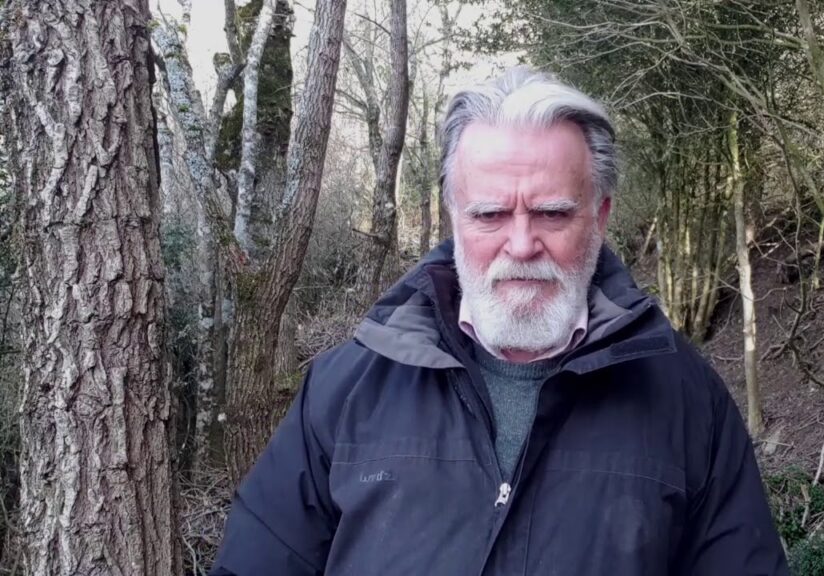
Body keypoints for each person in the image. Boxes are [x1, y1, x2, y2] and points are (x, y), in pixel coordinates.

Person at [211, 67, 789, 575]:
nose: (521, 244)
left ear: (600, 216)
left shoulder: (687, 403)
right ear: (454, 217)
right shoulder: (343, 392)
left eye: (552, 213)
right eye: (490, 214)